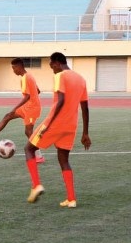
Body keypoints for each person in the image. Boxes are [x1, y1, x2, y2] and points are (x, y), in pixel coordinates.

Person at [24, 52, 90, 208]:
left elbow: (60, 101)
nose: (52, 69)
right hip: (71, 126)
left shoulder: (60, 76)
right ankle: (71, 199)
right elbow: (85, 108)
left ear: (58, 63)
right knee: (64, 160)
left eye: (51, 66)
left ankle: (36, 185)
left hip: (55, 123)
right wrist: (85, 132)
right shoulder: (81, 79)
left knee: (28, 148)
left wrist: (48, 124)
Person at [0, 57, 44, 163]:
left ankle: (39, 156)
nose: (13, 71)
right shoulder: (28, 76)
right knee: (7, 116)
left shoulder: (26, 78)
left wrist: (15, 108)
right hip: (27, 107)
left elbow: (27, 96)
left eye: (14, 68)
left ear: (19, 67)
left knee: (28, 132)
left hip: (32, 109)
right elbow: (38, 90)